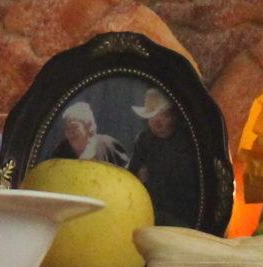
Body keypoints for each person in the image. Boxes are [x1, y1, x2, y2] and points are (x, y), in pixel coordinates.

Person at [126, 91, 202, 223]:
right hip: (152, 210)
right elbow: (132, 175)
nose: (158, 124)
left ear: (174, 115)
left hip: (186, 214)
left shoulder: (190, 139)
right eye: (152, 118)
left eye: (165, 115)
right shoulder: (145, 140)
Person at [48, 100, 125, 166]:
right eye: (67, 129)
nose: (70, 132)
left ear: (88, 126)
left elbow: (127, 174)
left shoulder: (108, 145)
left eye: (74, 127)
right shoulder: (61, 151)